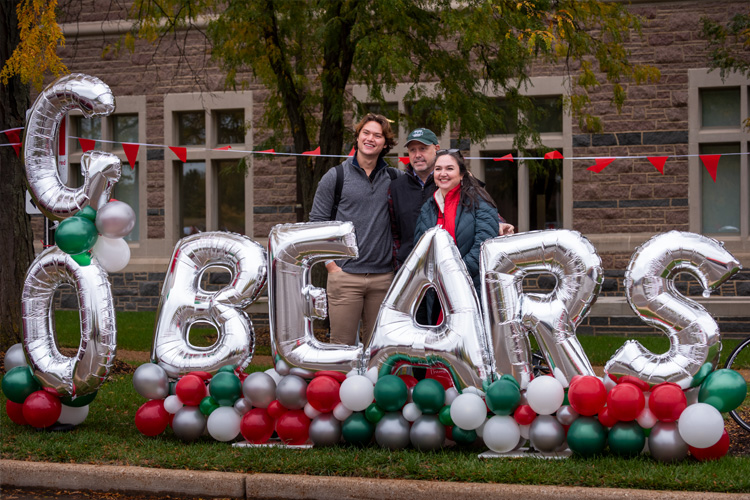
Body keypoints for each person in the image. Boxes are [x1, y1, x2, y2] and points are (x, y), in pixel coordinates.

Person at [309, 113, 400, 346]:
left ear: (385, 143)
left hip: (384, 279)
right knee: (341, 347)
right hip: (345, 277)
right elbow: (317, 223)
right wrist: (331, 266)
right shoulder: (335, 177)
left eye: (377, 135)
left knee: (379, 350)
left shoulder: (395, 178)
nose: (371, 139)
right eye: (366, 133)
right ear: (357, 138)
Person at [414, 149, 511, 297]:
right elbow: (420, 250)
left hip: (472, 289)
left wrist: (454, 273)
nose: (443, 173)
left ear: (461, 175)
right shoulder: (428, 207)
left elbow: (483, 246)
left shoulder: (479, 201)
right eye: (438, 169)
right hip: (437, 292)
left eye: (450, 168)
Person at [388, 128, 440, 269]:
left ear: (436, 149)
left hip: (444, 267)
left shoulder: (449, 181)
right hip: (408, 268)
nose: (417, 155)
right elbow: (393, 233)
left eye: (423, 149)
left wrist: (499, 223)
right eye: (412, 150)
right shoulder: (396, 187)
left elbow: (479, 208)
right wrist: (399, 263)